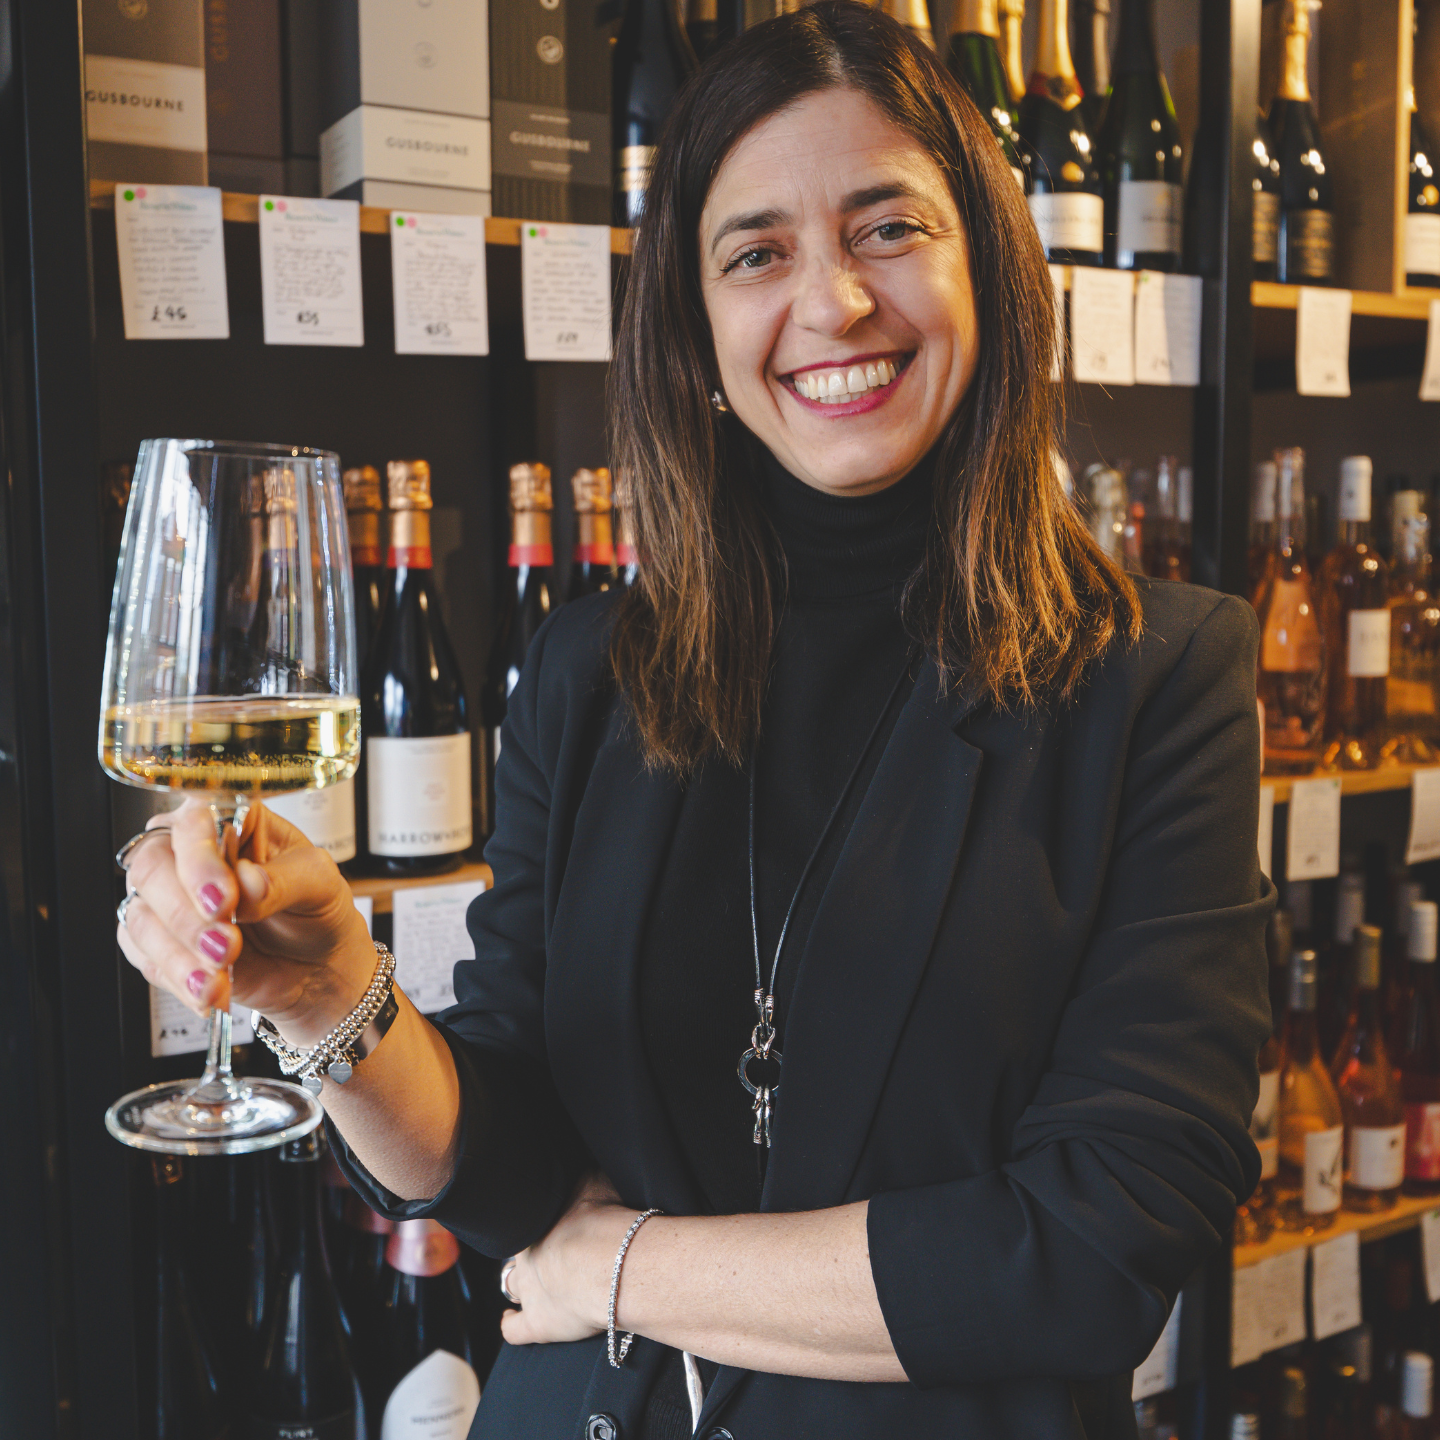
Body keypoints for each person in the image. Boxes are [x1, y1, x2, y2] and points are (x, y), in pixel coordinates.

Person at [115, 5, 1273, 1437]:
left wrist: (627, 1268)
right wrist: (327, 995)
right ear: (697, 321)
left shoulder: (1160, 681)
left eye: (888, 228)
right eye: (758, 253)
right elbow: (509, 1161)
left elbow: (1099, 1242)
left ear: (993, 261)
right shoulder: (592, 673)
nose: (835, 302)